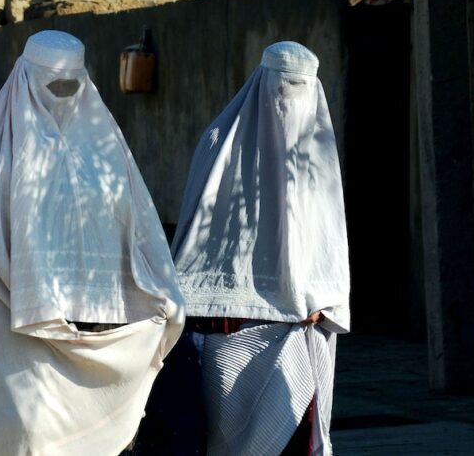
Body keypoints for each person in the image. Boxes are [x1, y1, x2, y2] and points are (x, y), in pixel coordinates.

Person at [0, 30, 184, 455]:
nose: (61, 96)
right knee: (29, 432)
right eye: (51, 85)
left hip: (102, 325)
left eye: (71, 85)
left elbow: (140, 221)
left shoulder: (104, 147)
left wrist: (160, 292)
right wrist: (19, 278)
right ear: (25, 78)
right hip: (21, 324)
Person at [142, 42, 351, 456]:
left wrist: (326, 303)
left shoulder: (316, 154)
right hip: (226, 335)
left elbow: (329, 244)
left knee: (290, 440)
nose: (289, 98)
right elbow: (196, 232)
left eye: (298, 87)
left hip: (296, 336)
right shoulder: (220, 141)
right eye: (283, 85)